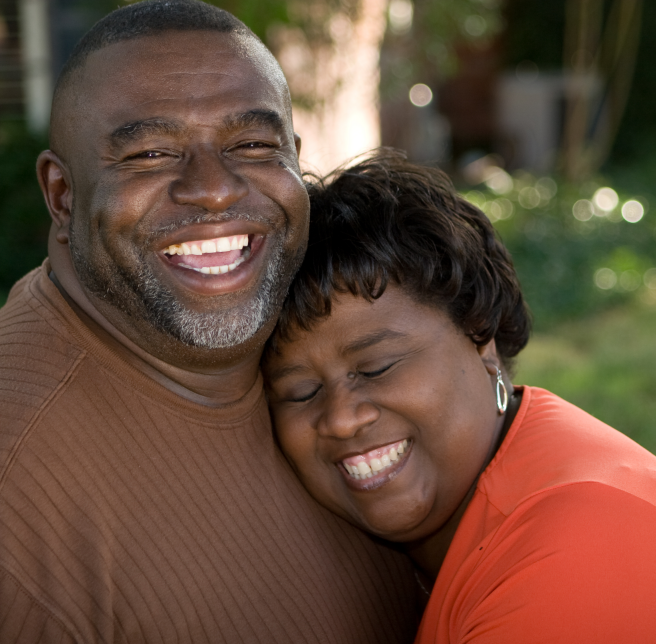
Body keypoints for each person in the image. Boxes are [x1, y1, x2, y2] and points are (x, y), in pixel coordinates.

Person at [0, 3, 419, 642]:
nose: (215, 189)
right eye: (149, 153)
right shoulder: (19, 497)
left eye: (252, 145)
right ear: (63, 194)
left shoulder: (327, 342)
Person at [264, 150, 656, 643]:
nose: (341, 418)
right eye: (301, 392)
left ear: (480, 333)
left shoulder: (579, 542)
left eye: (376, 367)